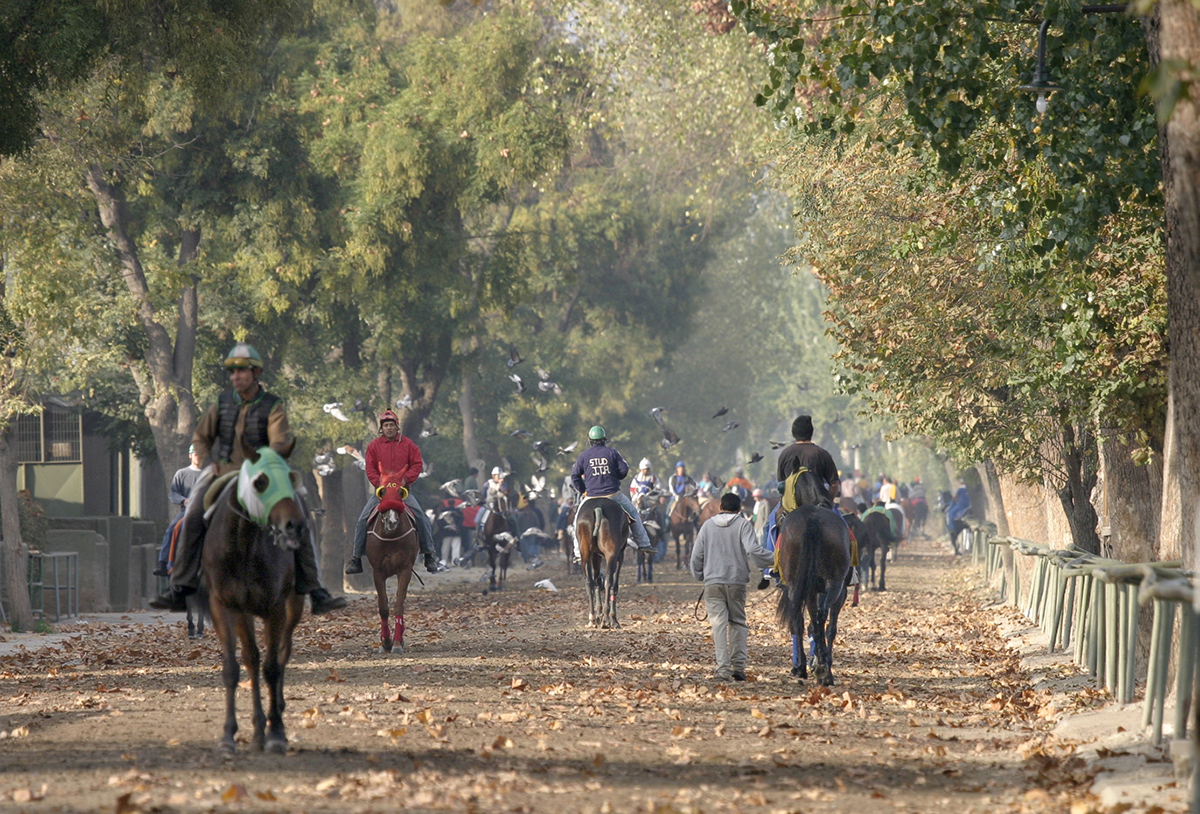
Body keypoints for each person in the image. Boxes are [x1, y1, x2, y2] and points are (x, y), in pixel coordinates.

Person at [151, 343, 346, 614]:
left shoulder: (273, 405)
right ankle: (181, 585)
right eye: (232, 373)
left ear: (255, 373)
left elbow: (280, 440)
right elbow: (202, 437)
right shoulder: (221, 402)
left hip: (265, 471)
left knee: (300, 507)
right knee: (194, 510)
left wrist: (265, 462)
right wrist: (209, 463)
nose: (235, 377)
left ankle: (314, 587)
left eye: (241, 372)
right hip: (226, 471)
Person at [690, 492, 774, 682]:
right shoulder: (743, 524)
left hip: (713, 582)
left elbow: (696, 556)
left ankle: (722, 669)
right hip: (736, 582)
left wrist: (700, 575)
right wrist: (777, 558)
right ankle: (739, 667)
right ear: (739, 508)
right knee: (737, 623)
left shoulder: (707, 526)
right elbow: (753, 550)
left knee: (719, 625)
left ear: (720, 507)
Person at [345, 409, 440, 575]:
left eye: (392, 425)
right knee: (362, 520)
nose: (389, 428)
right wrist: (379, 483)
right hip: (381, 493)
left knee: (421, 517)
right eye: (386, 425)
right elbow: (370, 468)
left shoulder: (409, 445)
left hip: (403, 492)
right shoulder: (373, 446)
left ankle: (429, 555)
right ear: (382, 428)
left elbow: (417, 465)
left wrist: (405, 480)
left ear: (397, 427)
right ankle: (356, 558)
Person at [569, 425, 654, 552]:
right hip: (612, 495)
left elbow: (575, 475)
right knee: (633, 513)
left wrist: (583, 490)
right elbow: (624, 470)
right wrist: (616, 476)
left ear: (590, 440)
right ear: (604, 439)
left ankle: (577, 551)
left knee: (577, 520)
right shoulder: (612, 453)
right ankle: (644, 543)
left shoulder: (583, 456)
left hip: (591, 496)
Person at [154, 445, 204, 576]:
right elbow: (173, 494)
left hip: (207, 511)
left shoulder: (209, 474)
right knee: (172, 529)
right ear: (190, 455)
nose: (198, 456)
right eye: (195, 453)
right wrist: (184, 500)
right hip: (187, 512)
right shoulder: (181, 473)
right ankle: (164, 563)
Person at [775, 415, 841, 504]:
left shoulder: (785, 454)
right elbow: (834, 485)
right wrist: (828, 503)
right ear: (811, 432)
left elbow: (782, 483)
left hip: (790, 506)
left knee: (771, 517)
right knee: (839, 517)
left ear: (793, 433)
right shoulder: (822, 453)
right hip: (818, 505)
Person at [946, 479, 971, 551]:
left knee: (950, 513)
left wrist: (955, 501)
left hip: (961, 505)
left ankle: (952, 528)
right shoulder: (968, 488)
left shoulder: (961, 488)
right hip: (968, 505)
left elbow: (955, 497)